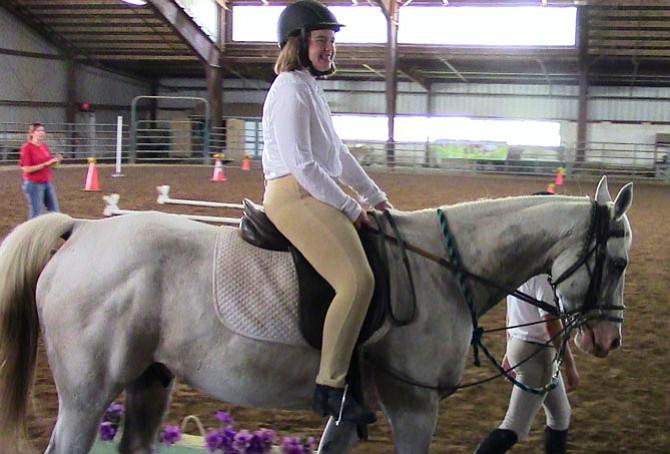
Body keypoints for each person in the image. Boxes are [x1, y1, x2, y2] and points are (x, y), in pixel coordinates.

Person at [261, 0, 392, 425]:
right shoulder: (289, 90)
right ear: (297, 44)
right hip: (292, 196)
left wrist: (375, 196)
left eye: (331, 42)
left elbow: (337, 154)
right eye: (321, 40)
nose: (328, 49)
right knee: (357, 281)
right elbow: (302, 164)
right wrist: (350, 206)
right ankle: (330, 387)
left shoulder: (309, 88)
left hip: (312, 192)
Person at [475, 274, 581, 454]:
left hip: (521, 347)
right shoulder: (544, 279)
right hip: (537, 356)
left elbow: (510, 312)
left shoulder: (524, 271)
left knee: (561, 415)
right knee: (513, 425)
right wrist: (570, 365)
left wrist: (509, 349)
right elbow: (551, 324)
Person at [19, 122, 62, 219]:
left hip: (46, 181)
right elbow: (26, 169)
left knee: (55, 211)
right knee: (36, 213)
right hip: (34, 183)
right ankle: (32, 232)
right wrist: (45, 164)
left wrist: (55, 162)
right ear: (32, 133)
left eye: (42, 130)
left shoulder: (44, 146)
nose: (41, 133)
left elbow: (50, 166)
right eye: (38, 130)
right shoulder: (27, 148)